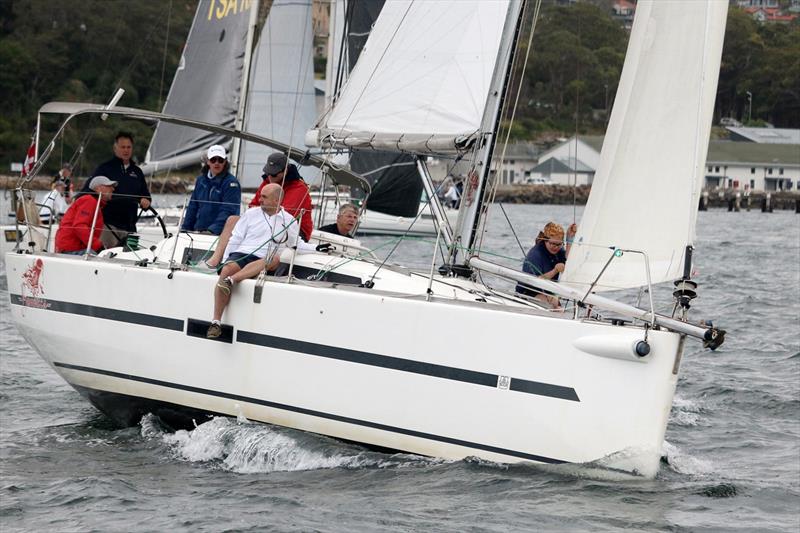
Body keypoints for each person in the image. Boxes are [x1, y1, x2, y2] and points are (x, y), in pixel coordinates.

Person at [206, 184, 299, 339]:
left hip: (265, 258)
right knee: (226, 270)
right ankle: (216, 322)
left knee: (273, 258)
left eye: (264, 197)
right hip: (243, 253)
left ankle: (232, 280)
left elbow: (296, 243)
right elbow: (236, 238)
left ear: (276, 200)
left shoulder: (289, 220)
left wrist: (317, 248)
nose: (259, 199)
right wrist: (225, 261)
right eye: (260, 195)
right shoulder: (250, 214)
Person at [205, 152, 312, 268]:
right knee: (232, 220)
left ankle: (242, 266)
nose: (270, 177)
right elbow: (253, 205)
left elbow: (282, 215)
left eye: (274, 174)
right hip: (267, 221)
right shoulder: (267, 182)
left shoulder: (299, 188)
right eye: (268, 172)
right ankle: (216, 260)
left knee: (262, 229)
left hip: (293, 229)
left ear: (285, 171)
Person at [81, 131, 151, 248]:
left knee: (129, 257)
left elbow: (146, 195)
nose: (126, 150)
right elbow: (89, 190)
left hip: (130, 227)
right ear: (115, 149)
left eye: (128, 147)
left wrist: (146, 200)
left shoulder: (137, 172)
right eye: (123, 147)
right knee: (104, 255)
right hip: (108, 225)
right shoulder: (105, 168)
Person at [181, 145, 241, 235]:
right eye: (213, 160)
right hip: (198, 231)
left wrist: (212, 231)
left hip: (219, 235)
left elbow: (229, 210)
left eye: (220, 160)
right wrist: (185, 228)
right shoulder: (201, 180)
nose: (217, 163)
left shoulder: (231, 183)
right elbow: (193, 207)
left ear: (225, 161)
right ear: (208, 161)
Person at [515, 221, 577, 307]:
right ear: (545, 240)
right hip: (527, 293)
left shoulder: (558, 251)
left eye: (559, 244)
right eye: (552, 244)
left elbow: (567, 260)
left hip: (547, 292)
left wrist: (570, 239)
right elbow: (534, 281)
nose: (555, 247)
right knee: (555, 307)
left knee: (558, 307)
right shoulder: (535, 255)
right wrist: (555, 271)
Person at [55, 176, 117, 254]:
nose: (113, 189)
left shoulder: (93, 201)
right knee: (103, 258)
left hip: (72, 247)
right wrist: (98, 247)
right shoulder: (89, 200)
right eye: (109, 186)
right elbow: (79, 226)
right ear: (99, 188)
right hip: (72, 249)